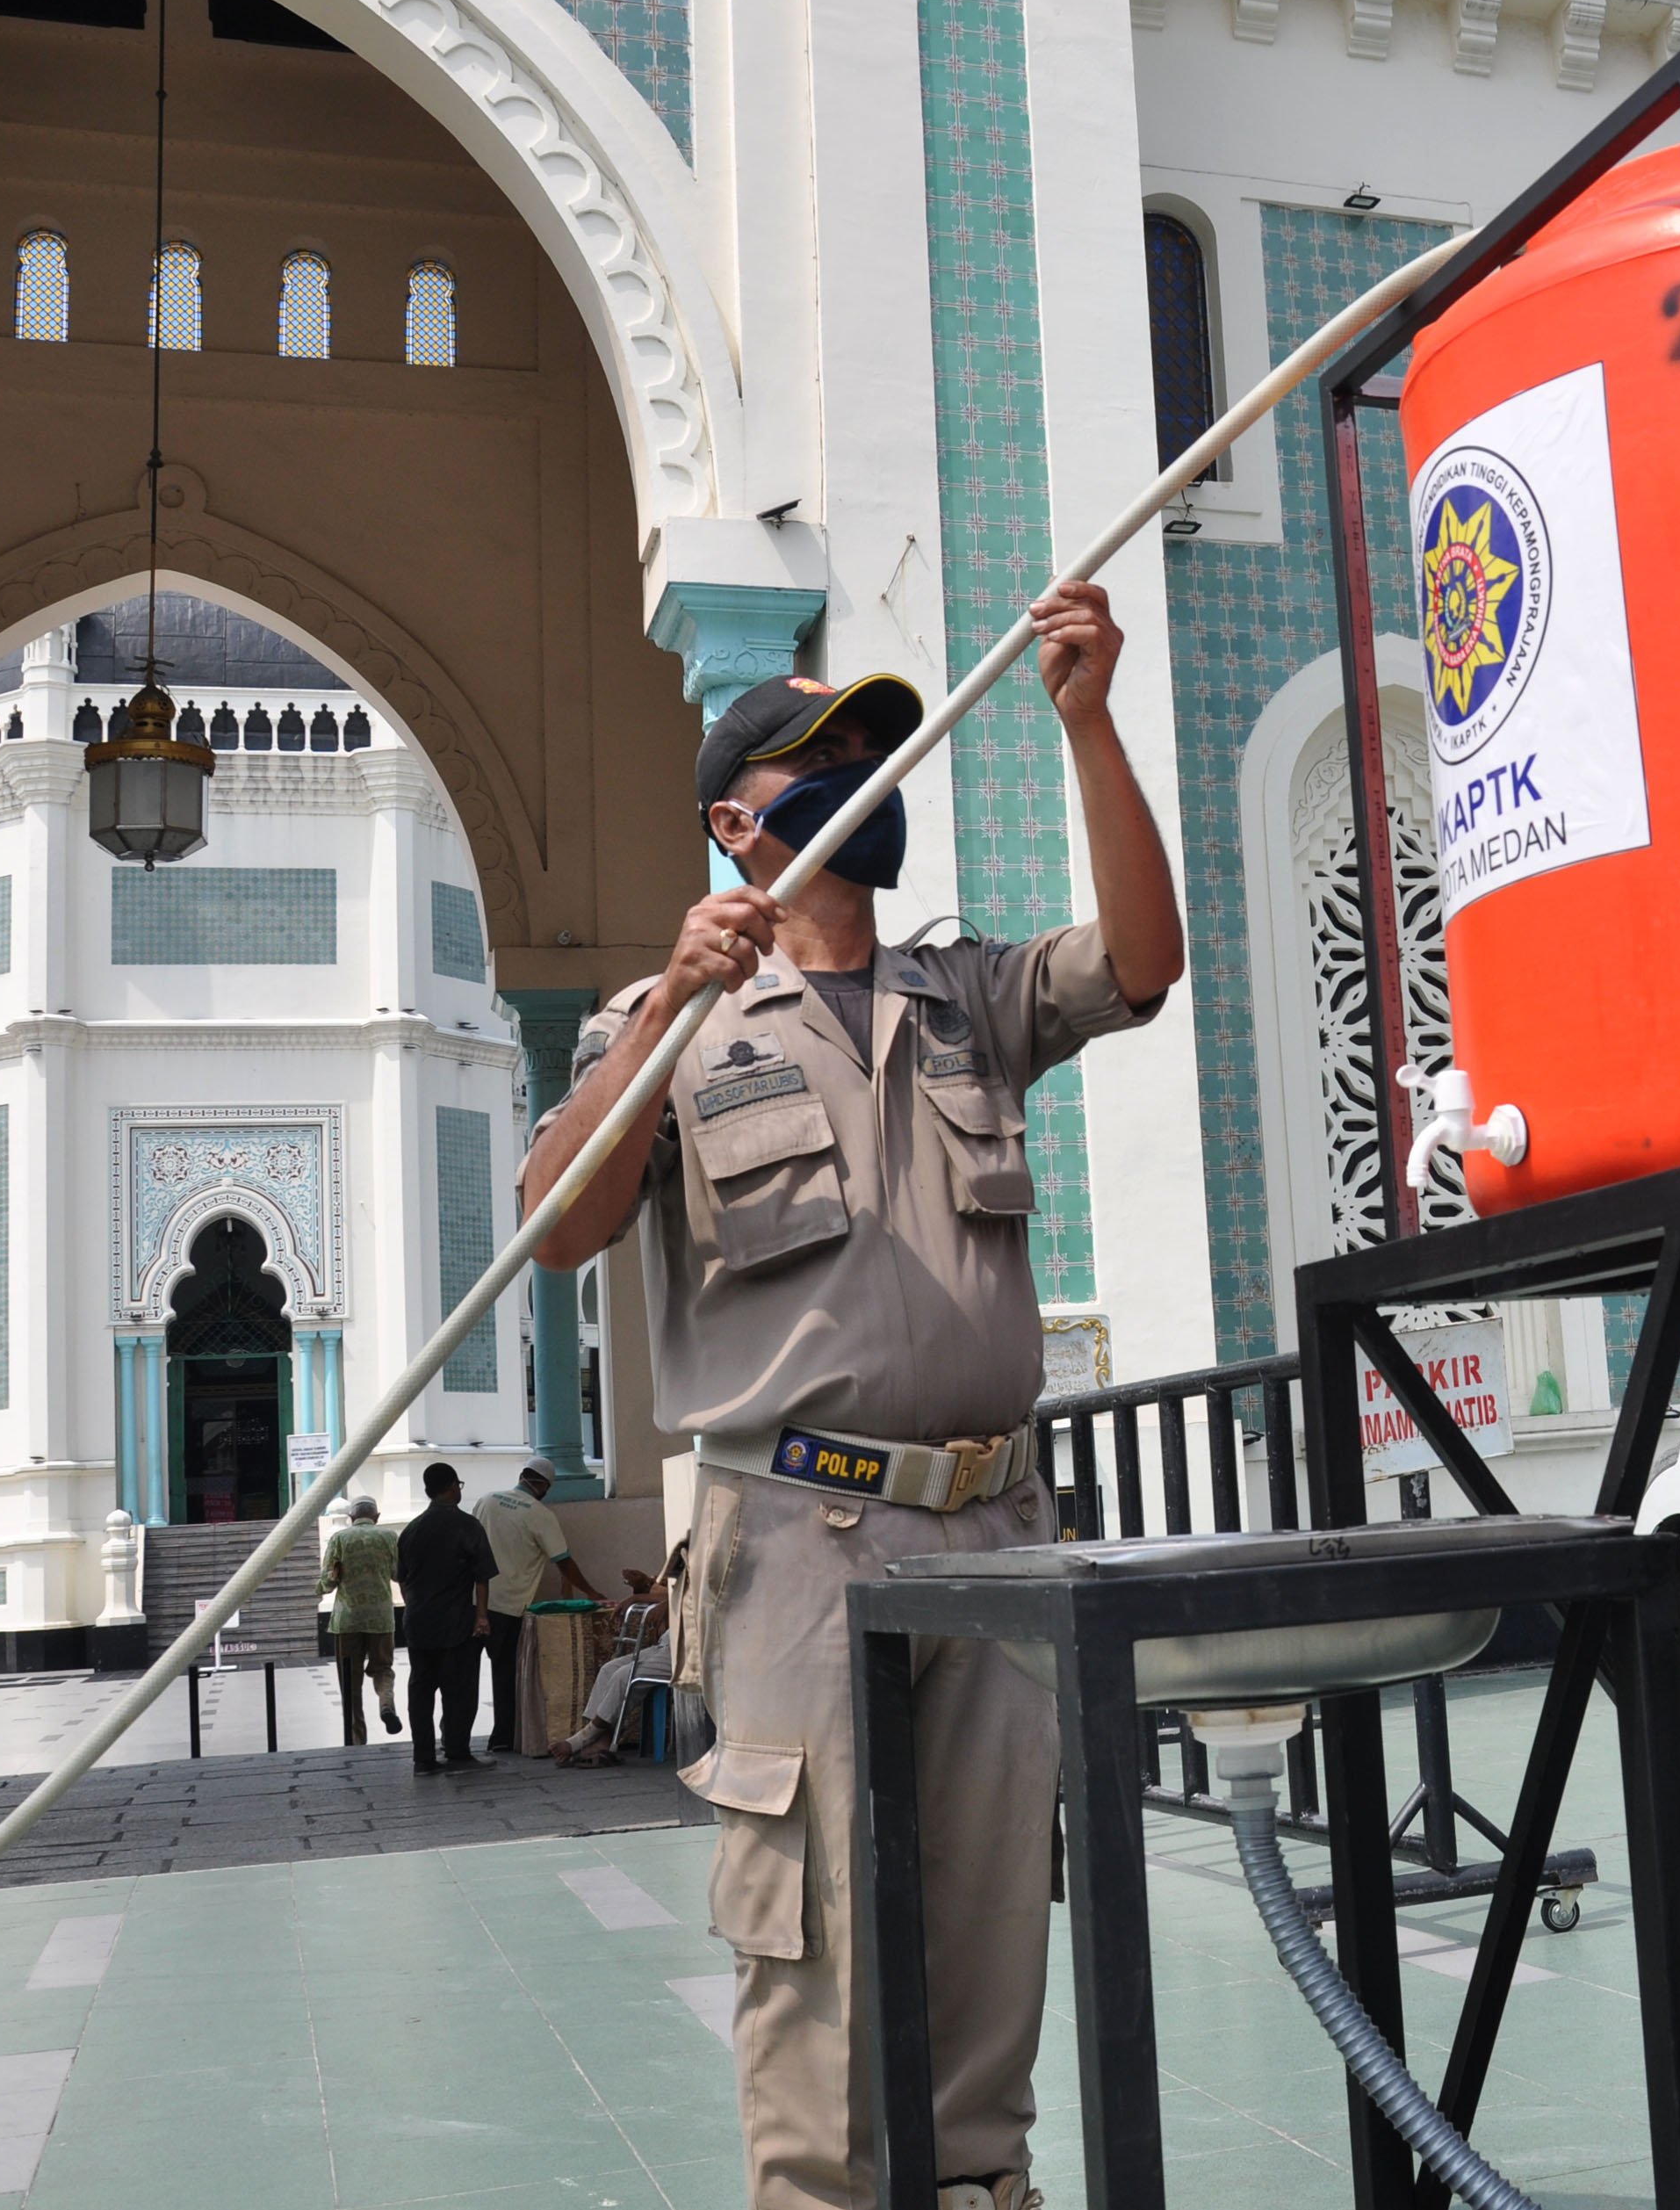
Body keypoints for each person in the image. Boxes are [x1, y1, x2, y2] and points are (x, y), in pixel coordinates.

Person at [522, 580, 1182, 2210]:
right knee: (812, 1951)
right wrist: (669, 1002)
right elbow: (558, 1223)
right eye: (824, 765)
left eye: (877, 757)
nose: (862, 786)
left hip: (995, 1525)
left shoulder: (967, 999)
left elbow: (1147, 960)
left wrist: (1087, 720)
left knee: (983, 1939)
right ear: (739, 828)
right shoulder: (671, 1026)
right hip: (803, 1538)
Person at [474, 1459, 607, 1753]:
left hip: (474, 1601)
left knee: (464, 1673)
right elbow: (563, 1561)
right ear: (544, 1486)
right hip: (508, 1606)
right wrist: (592, 1592)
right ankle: (502, 1738)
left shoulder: (486, 1500)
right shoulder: (539, 1514)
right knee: (505, 1674)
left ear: (522, 1476)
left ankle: (452, 1738)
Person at [393, 1460, 498, 1776]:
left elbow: (402, 1579)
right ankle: (457, 1751)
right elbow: (482, 1577)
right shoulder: (467, 1526)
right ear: (453, 1486)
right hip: (455, 1622)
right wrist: (481, 1617)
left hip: (418, 1623)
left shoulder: (411, 1530)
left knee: (421, 1689)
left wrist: (415, 1608)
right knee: (459, 1688)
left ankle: (423, 1758)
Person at [555, 1564, 676, 1767]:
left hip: (689, 1649)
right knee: (609, 1669)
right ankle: (601, 1740)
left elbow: (692, 1597)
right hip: (668, 1642)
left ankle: (581, 1740)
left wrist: (657, 1601)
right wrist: (644, 1586)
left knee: (624, 1676)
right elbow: (673, 1591)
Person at [318, 1494, 403, 1744]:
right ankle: (386, 1704)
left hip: (348, 1620)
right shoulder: (389, 1537)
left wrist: (319, 1587)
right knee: (383, 1669)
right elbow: (399, 1574)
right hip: (381, 1618)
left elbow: (328, 1581)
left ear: (351, 1517)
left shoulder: (339, 1539)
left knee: (350, 1684)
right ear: (376, 1517)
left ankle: (357, 1740)